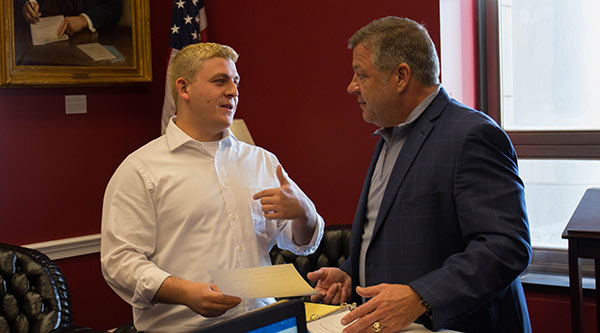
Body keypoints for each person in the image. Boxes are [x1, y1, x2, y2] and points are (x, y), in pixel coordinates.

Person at [307, 17, 531, 333]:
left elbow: (506, 246)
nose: (351, 86)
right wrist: (350, 275)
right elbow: (390, 236)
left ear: (401, 76)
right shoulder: (389, 135)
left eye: (361, 74)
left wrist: (420, 297)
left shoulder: (472, 135)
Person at [101, 42, 324, 332]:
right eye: (220, 81)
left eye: (236, 81)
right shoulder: (140, 170)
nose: (233, 91)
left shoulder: (261, 161)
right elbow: (119, 262)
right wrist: (184, 292)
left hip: (267, 323)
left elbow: (301, 243)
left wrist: (304, 213)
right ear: (184, 89)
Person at [22, 0, 122, 37]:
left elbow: (115, 8)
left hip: (97, 37)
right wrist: (31, 2)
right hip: (56, 37)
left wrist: (84, 20)